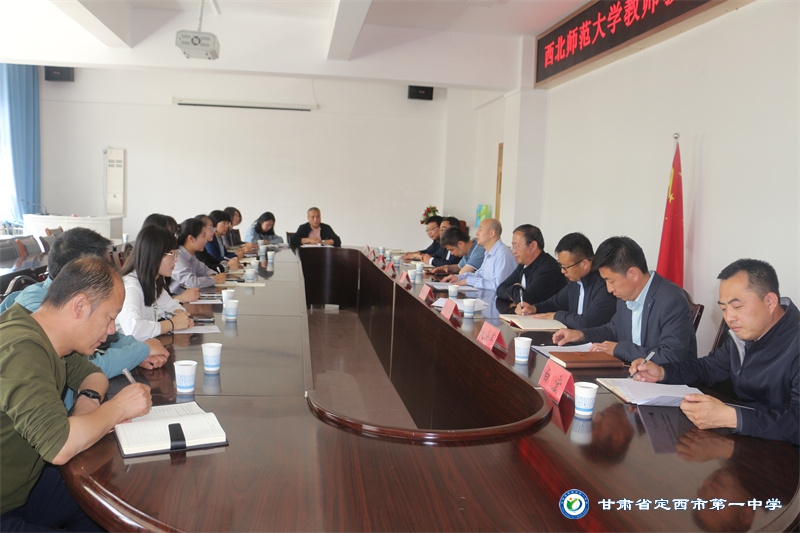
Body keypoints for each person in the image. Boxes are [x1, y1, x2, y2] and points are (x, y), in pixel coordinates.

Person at [0, 257, 152, 531]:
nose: (111, 331)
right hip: (6, 505)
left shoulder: (47, 335)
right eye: (110, 318)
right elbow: (59, 447)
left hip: (22, 489)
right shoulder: (22, 349)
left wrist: (87, 405)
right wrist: (118, 407)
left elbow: (93, 375)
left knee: (115, 499)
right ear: (80, 306)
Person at [630, 259, 798, 445]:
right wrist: (663, 372)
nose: (729, 318)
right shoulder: (743, 337)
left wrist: (733, 418)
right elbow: (707, 368)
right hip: (749, 443)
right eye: (724, 308)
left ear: (770, 301)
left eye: (737, 306)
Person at [0, 227, 168, 410]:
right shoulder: (39, 311)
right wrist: (141, 351)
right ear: (79, 273)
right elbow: (93, 364)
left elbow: (107, 343)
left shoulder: (66, 303)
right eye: (102, 267)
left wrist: (137, 350)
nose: (110, 272)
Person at [553, 236, 696, 364]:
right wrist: (581, 335)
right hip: (631, 375)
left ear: (633, 274)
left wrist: (620, 349)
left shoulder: (671, 299)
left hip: (667, 382)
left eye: (611, 281)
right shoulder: (625, 296)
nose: (609, 289)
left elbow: (671, 356)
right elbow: (613, 329)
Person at [517, 232, 617, 328]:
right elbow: (555, 303)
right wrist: (533, 308)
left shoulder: (605, 286)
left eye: (566, 267)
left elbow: (586, 322)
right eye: (561, 265)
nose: (562, 271)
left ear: (584, 264)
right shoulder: (575, 282)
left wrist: (556, 315)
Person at [116, 225, 194, 340]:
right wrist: (172, 324)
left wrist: (180, 315)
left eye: (176, 254)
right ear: (154, 255)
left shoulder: (152, 281)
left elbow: (171, 304)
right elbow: (133, 329)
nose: (176, 260)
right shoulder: (131, 286)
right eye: (171, 254)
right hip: (123, 347)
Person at [496, 224, 567, 308]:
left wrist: (514, 288)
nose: (513, 251)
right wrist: (516, 292)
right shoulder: (523, 265)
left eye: (517, 246)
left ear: (533, 245)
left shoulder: (549, 269)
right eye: (513, 246)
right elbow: (500, 289)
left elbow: (525, 300)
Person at [442, 218, 515, 291]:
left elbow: (498, 286)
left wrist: (468, 281)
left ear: (491, 233)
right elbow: (480, 275)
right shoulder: (488, 252)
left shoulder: (502, 254)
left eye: (480, 229)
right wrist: (458, 277)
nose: (476, 234)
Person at [170, 218, 227, 294]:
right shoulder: (177, 257)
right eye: (203, 236)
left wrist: (213, 275)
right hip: (179, 299)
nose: (205, 240)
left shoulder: (191, 255)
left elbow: (205, 270)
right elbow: (191, 282)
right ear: (191, 238)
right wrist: (215, 280)